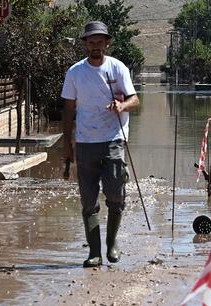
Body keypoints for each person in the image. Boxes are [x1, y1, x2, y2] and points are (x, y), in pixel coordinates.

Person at [61, 21, 139, 267]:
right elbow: (68, 109)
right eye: (91, 42)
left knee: (116, 194)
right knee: (88, 199)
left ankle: (112, 244)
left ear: (107, 43)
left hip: (114, 137)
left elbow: (135, 100)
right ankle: (94, 252)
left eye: (100, 41)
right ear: (85, 44)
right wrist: (67, 143)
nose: (96, 46)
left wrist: (122, 106)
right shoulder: (75, 72)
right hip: (85, 141)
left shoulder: (118, 68)